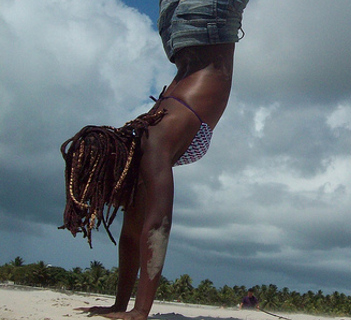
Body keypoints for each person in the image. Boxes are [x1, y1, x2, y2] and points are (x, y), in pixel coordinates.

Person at [71, 1, 249, 319]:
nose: (111, 193)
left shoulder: (153, 141)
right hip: (183, 28)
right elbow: (130, 234)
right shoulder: (143, 142)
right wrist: (119, 305)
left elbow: (157, 226)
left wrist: (140, 311)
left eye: (104, 185)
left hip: (201, 23)